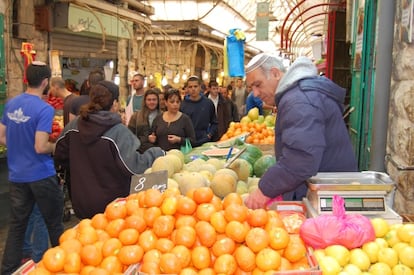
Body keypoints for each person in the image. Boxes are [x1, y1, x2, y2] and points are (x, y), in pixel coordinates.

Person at [244, 54, 358, 209]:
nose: (255, 93)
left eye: (258, 85)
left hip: (330, 198)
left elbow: (301, 158)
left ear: (276, 73)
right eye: (251, 88)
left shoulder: (299, 100)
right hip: (327, 190)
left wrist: (265, 190)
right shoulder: (298, 94)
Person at [54, 80, 165, 219]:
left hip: (81, 201)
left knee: (86, 236)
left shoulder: (73, 126)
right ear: (114, 103)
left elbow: (59, 155)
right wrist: (156, 153)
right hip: (113, 207)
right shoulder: (117, 132)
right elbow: (134, 167)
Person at [0, 61, 64, 274]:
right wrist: (57, 147)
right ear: (46, 82)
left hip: (17, 176)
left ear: (27, 78)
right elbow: (40, 146)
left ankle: (9, 269)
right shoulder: (44, 109)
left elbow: (1, 136)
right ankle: (63, 266)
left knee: (17, 225)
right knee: (54, 223)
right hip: (41, 175)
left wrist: (19, 145)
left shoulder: (11, 104)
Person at [180, 76, 218, 146]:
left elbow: (214, 122)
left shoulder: (208, 103)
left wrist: (209, 134)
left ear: (200, 87)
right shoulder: (182, 105)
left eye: (195, 86)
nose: (193, 89)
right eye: (190, 87)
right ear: (187, 89)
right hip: (187, 142)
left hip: (204, 141)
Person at [128, 89, 162, 153]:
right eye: (149, 100)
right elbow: (130, 136)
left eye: (154, 100)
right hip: (140, 152)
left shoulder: (163, 116)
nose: (151, 102)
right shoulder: (136, 116)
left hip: (159, 152)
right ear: (145, 101)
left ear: (158, 101)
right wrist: (147, 139)